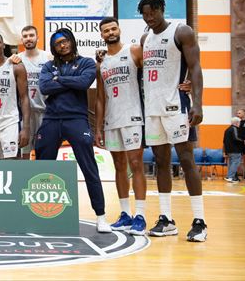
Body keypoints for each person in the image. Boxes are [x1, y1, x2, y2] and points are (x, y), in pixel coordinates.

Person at [138, 0, 207, 242]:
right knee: (161, 162)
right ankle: (166, 219)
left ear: (161, 9)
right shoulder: (145, 38)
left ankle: (200, 220)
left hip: (177, 106)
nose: (149, 18)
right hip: (153, 110)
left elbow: (196, 67)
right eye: (145, 14)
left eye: (152, 12)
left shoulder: (182, 31)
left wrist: (198, 102)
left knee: (187, 160)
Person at [35, 28, 111, 233]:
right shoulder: (49, 66)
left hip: (76, 119)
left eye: (65, 40)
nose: (62, 45)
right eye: (58, 43)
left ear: (72, 41)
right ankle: (39, 214)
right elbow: (44, 87)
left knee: (89, 168)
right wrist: (69, 82)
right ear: (54, 47)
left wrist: (58, 79)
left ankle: (101, 216)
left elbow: (85, 82)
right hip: (51, 119)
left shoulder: (86, 63)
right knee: (42, 169)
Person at [94, 17, 147, 235]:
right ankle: (125, 214)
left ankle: (141, 216)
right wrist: (97, 127)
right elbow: (99, 98)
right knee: (118, 166)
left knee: (136, 164)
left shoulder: (134, 51)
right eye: (106, 31)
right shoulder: (101, 62)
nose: (110, 33)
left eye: (113, 28)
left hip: (133, 116)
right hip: (112, 119)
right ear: (101, 35)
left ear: (119, 30)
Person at [10, 26, 52, 159]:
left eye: (31, 35)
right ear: (21, 39)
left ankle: (40, 179)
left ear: (37, 38)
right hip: (24, 114)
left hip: (44, 112)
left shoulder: (48, 57)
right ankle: (24, 179)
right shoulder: (16, 60)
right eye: (25, 36)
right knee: (24, 153)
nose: (28, 38)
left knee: (43, 152)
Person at [223, 117, 244, 183]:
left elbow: (224, 141)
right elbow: (236, 138)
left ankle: (230, 177)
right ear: (236, 123)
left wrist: (225, 151)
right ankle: (230, 177)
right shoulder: (234, 128)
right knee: (235, 163)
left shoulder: (227, 129)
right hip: (235, 149)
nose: (239, 124)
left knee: (231, 164)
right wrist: (243, 141)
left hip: (229, 150)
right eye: (239, 122)